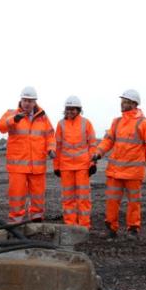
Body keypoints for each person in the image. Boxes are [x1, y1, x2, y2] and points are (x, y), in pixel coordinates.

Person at [92, 89, 146, 239]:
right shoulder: (117, 122)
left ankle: (133, 229)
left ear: (134, 104)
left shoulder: (144, 123)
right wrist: (98, 153)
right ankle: (111, 228)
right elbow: (108, 140)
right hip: (115, 171)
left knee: (133, 202)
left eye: (126, 102)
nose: (122, 104)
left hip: (133, 173)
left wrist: (140, 160)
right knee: (111, 201)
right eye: (122, 101)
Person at [0, 86, 55, 222]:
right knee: (17, 195)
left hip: (37, 165)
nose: (27, 103)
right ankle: (16, 221)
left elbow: (50, 135)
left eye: (30, 101)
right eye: (25, 100)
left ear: (35, 102)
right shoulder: (11, 114)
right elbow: (0, 127)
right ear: (20, 100)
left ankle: (36, 218)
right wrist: (13, 120)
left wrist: (51, 149)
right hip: (18, 167)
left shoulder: (43, 117)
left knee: (38, 195)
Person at [53, 95, 97, 228]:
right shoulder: (61, 124)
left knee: (83, 198)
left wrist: (92, 163)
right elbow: (57, 147)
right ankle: (70, 225)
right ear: (65, 110)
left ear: (79, 110)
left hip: (82, 166)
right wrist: (56, 166)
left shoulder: (86, 123)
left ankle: (84, 225)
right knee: (68, 198)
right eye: (68, 109)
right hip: (66, 167)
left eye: (73, 109)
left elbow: (92, 145)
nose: (71, 111)